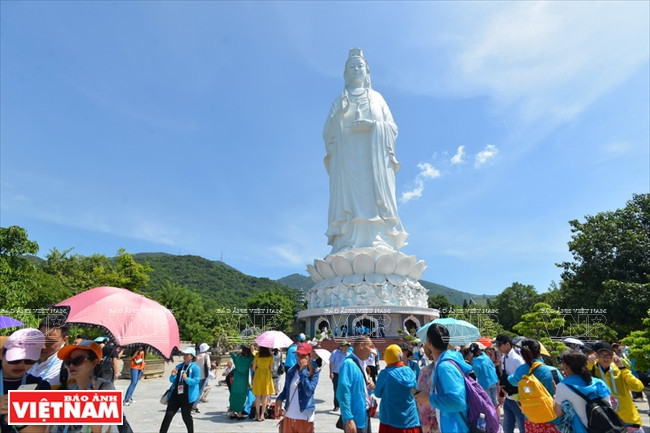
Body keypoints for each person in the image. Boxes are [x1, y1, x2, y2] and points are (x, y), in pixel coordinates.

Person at [323, 47, 407, 254]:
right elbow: (327, 132)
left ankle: (380, 239)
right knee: (348, 199)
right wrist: (339, 116)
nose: (356, 69)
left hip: (373, 157)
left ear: (367, 71)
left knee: (373, 198)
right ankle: (347, 241)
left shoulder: (377, 97)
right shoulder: (340, 99)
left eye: (360, 66)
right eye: (351, 67)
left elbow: (392, 127)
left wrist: (374, 126)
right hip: (347, 158)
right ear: (345, 73)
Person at [49, 340, 117, 433]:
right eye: (68, 362)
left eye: (78, 360)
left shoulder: (105, 388)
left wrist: (93, 405)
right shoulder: (70, 389)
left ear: (94, 363)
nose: (71, 365)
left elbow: (101, 431)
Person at [415, 324, 469, 433]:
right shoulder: (444, 363)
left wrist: (430, 399)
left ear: (428, 342)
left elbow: (458, 402)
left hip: (455, 427)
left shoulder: (445, 367)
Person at [1, 328, 50, 433]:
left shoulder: (40, 386)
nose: (21, 364)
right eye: (15, 360)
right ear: (2, 354)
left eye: (29, 360)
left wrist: (16, 418)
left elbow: (41, 430)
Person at [507, 338, 561, 433]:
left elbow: (511, 380)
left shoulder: (521, 370)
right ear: (539, 352)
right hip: (551, 415)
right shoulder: (552, 370)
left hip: (531, 416)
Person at [591, 341, 644, 431]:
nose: (606, 358)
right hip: (607, 422)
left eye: (609, 355)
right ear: (596, 356)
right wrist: (589, 364)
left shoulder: (619, 369)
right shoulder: (592, 370)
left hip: (628, 420)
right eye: (602, 355)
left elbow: (638, 387)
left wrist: (623, 369)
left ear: (613, 355)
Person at [553, 350, 612, 432]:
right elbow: (609, 406)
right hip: (606, 428)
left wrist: (555, 396)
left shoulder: (563, 386)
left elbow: (558, 413)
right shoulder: (599, 382)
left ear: (566, 366)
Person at [274, 342, 320, 433]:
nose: (300, 358)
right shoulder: (291, 370)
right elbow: (286, 390)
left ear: (309, 356)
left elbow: (309, 391)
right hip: (289, 415)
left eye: (303, 355)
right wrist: (279, 399)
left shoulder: (314, 372)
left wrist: (303, 372)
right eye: (298, 355)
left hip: (304, 416)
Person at [374, 344, 420, 433]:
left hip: (390, 421)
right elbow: (414, 391)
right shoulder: (410, 371)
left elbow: (377, 394)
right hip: (410, 420)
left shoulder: (385, 374)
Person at [337, 335, 375, 433]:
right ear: (362, 345)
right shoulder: (348, 364)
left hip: (364, 414)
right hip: (355, 417)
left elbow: (360, 388)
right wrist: (349, 419)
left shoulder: (362, 364)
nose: (371, 350)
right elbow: (343, 393)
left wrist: (370, 388)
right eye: (370, 347)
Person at [159, 347, 200, 433]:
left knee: (186, 416)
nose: (184, 356)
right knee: (168, 415)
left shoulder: (195, 367)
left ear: (192, 356)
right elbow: (172, 380)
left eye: (187, 355)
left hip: (187, 396)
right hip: (176, 395)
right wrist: (173, 375)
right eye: (184, 354)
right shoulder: (179, 366)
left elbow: (196, 381)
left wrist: (187, 379)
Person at [493, 334, 526, 433]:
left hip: (518, 399)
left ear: (507, 344)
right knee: (507, 428)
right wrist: (501, 394)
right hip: (508, 398)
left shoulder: (517, 360)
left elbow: (523, 380)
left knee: (522, 427)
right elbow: (504, 377)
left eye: (499, 345)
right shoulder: (503, 358)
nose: (498, 348)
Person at [28, 314, 69, 389]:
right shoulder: (25, 357)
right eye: (40, 340)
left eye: (50, 342)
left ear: (64, 340)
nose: (43, 346)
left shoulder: (70, 366)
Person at [415, 342, 438, 433]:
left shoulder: (424, 371)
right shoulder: (424, 371)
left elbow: (418, 395)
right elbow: (419, 396)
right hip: (440, 421)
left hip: (429, 421)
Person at [469, 343, 499, 407]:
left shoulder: (476, 361)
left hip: (484, 382)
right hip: (493, 380)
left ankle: (491, 416)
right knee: (495, 401)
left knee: (488, 402)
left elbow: (477, 374)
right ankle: (498, 415)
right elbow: (493, 367)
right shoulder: (486, 357)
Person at [228, 345, 254, 419]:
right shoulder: (249, 359)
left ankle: (233, 412)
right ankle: (239, 413)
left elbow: (231, 352)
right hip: (244, 380)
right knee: (242, 396)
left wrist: (238, 351)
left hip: (236, 379)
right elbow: (253, 356)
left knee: (233, 395)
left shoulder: (237, 358)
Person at [251, 346, 275, 421]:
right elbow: (271, 368)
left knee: (258, 396)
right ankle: (262, 415)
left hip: (258, 375)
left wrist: (259, 368)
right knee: (265, 396)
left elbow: (253, 368)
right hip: (267, 375)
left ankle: (257, 415)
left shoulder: (257, 355)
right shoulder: (270, 356)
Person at [329, 340, 351, 412]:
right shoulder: (335, 353)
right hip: (335, 374)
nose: (345, 348)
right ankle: (336, 405)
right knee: (336, 390)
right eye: (344, 346)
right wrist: (331, 372)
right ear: (341, 346)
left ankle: (344, 404)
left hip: (344, 375)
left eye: (346, 347)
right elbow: (331, 363)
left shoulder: (348, 355)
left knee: (344, 389)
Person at [191, 343, 211, 413]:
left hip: (196, 375)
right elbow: (208, 366)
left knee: (194, 390)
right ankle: (194, 406)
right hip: (203, 375)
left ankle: (192, 404)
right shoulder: (206, 356)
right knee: (199, 391)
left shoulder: (197, 356)